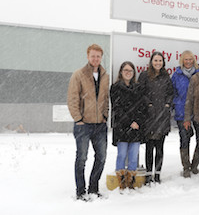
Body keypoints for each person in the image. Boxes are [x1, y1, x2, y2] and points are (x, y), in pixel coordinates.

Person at [67, 44, 109, 201]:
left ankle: (93, 188)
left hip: (100, 125)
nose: (95, 59)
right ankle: (80, 191)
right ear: (87, 56)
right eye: (93, 56)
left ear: (101, 57)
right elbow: (72, 98)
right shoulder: (79, 74)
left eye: (98, 56)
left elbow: (106, 99)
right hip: (83, 125)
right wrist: (78, 119)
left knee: (102, 157)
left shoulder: (105, 75)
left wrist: (105, 115)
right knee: (82, 158)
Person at [138, 51, 174, 184]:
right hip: (149, 116)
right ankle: (148, 175)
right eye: (155, 60)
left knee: (160, 147)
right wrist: (149, 104)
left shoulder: (166, 76)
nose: (158, 63)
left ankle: (157, 175)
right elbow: (141, 93)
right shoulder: (144, 75)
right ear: (151, 62)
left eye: (160, 60)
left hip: (163, 116)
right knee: (149, 147)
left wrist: (167, 104)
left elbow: (171, 93)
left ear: (163, 62)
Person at [110, 61, 144, 191]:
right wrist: (130, 122)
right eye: (125, 70)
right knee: (122, 155)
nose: (128, 73)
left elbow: (142, 107)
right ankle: (121, 183)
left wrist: (138, 122)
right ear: (121, 72)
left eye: (130, 71)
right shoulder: (115, 88)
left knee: (133, 156)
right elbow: (117, 109)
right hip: (122, 127)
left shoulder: (138, 88)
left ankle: (130, 182)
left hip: (136, 128)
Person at [171, 51, 199, 178]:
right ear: (182, 61)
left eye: (190, 59)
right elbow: (172, 91)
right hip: (182, 112)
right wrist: (176, 103)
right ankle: (186, 167)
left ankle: (195, 165)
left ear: (194, 60)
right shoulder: (176, 75)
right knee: (184, 138)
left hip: (198, 111)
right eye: (185, 59)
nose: (188, 62)